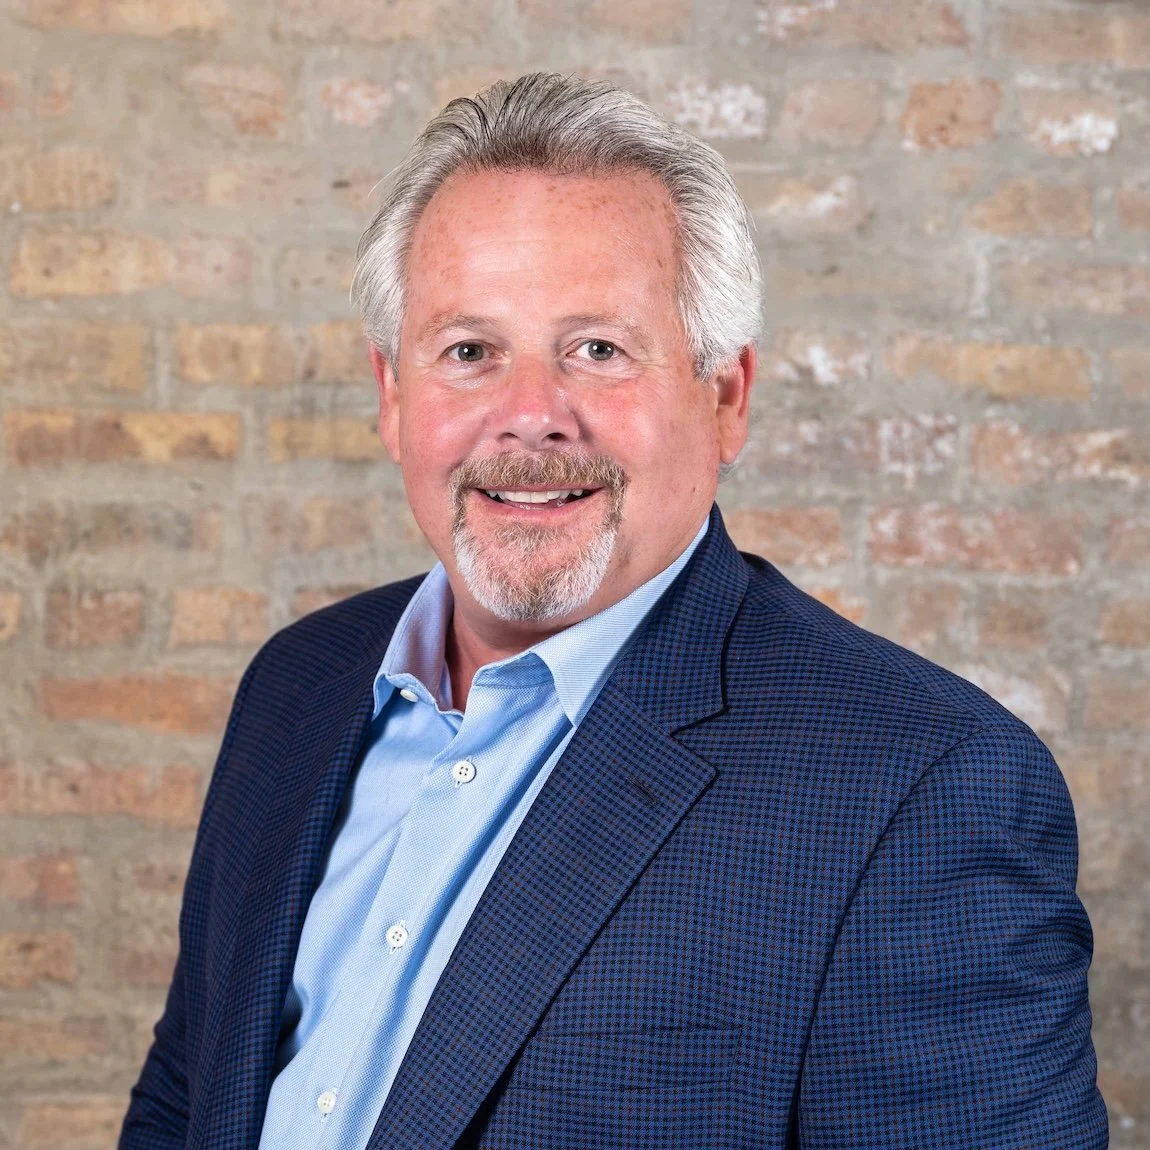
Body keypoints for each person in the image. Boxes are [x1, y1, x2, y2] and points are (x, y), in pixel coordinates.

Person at [120, 72, 1107, 1149]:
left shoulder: (917, 792)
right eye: (469, 352)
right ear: (392, 397)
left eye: (598, 348)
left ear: (724, 396)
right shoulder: (296, 686)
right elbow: (187, 1098)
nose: (531, 416)